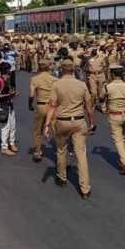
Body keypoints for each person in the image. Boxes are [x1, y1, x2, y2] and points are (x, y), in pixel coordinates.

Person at [44, 58, 95, 199]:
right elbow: (89, 107)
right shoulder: (82, 85)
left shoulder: (56, 85)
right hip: (79, 122)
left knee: (61, 150)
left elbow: (52, 106)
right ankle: (85, 188)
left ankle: (62, 177)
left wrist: (47, 124)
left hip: (62, 122)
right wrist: (92, 122)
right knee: (81, 155)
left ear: (61, 69)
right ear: (73, 70)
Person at [29, 59, 57, 162]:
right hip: (52, 106)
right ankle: (60, 152)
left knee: (38, 130)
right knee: (55, 130)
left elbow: (31, 94)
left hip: (41, 106)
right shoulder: (54, 79)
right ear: (49, 67)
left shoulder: (35, 79)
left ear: (39, 67)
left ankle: (37, 151)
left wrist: (30, 105)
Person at [0, 61, 18, 156]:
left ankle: (12, 143)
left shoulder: (7, 80)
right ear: (6, 71)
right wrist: (10, 95)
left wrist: (11, 95)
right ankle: (4, 147)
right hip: (3, 106)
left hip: (9, 105)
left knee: (13, 126)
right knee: (5, 127)